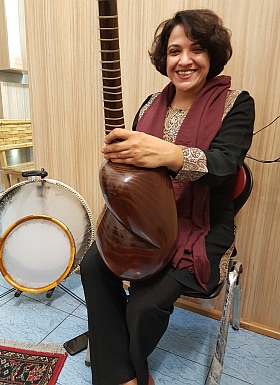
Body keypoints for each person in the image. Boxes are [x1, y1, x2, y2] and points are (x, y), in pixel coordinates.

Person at [80, 9, 255, 385]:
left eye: (196, 49)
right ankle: (125, 376)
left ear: (212, 55)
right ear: (165, 59)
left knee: (143, 305)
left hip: (202, 229)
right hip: (145, 220)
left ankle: (121, 369)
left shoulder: (237, 103)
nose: (185, 60)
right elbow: (135, 171)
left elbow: (225, 167)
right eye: (174, 51)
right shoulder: (148, 105)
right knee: (94, 265)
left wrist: (167, 153)